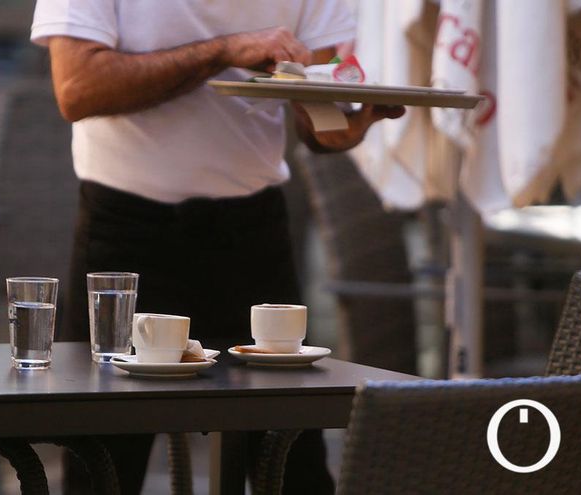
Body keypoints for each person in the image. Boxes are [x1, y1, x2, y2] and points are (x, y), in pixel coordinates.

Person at [30, 1, 405, 493]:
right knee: (103, 465)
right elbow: (77, 89)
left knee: (294, 465)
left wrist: (348, 128)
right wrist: (224, 52)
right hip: (126, 233)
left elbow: (319, 118)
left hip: (252, 232)